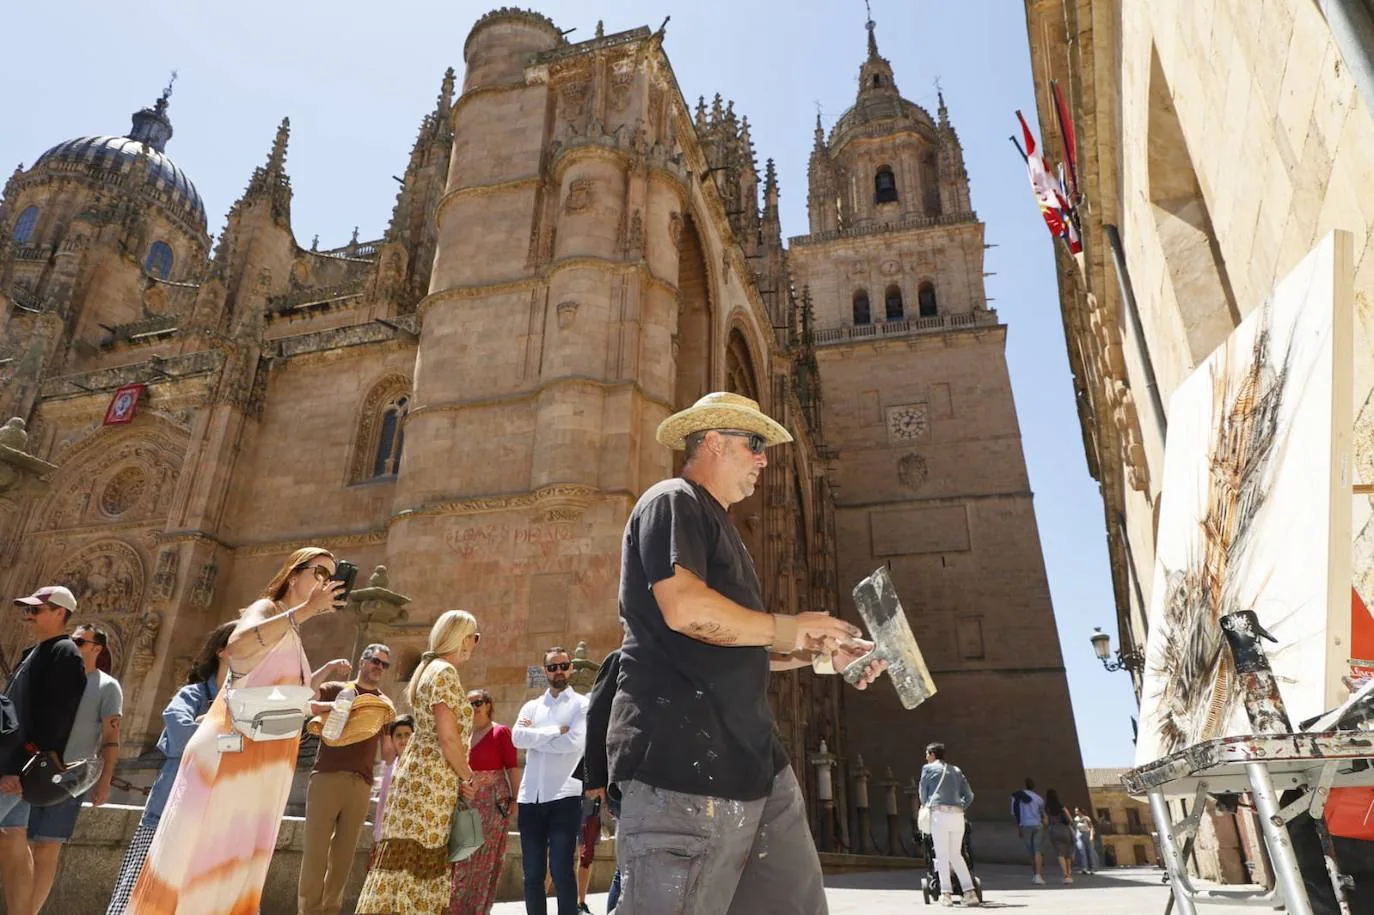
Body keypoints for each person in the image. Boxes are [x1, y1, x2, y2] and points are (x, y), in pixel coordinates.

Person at [608, 392, 886, 915]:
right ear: (712, 441)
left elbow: (736, 643)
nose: (763, 459)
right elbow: (686, 610)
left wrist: (821, 654)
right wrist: (789, 625)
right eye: (755, 443)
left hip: (758, 767)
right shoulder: (672, 500)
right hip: (681, 761)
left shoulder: (719, 527)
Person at [127, 547, 350, 914]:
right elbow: (238, 647)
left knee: (236, 863)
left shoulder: (292, 633)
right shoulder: (266, 609)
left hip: (263, 758)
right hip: (233, 752)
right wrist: (307, 610)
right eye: (319, 572)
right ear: (294, 574)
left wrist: (318, 708)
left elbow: (274, 700)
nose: (325, 582)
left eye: (332, 576)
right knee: (206, 858)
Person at [106, 621, 236, 915]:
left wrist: (212, 729)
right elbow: (180, 734)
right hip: (170, 810)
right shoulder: (193, 695)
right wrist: (217, 731)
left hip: (218, 814)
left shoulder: (246, 701)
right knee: (140, 895)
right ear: (221, 651)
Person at [356, 610, 480, 915]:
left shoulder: (428, 670)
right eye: (474, 637)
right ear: (462, 638)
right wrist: (469, 777)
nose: (475, 644)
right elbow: (448, 738)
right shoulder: (445, 673)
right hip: (432, 780)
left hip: (416, 774)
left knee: (402, 860)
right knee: (422, 860)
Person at [0, 585, 86, 915]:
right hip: (11, 762)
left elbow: (56, 720)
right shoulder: (33, 652)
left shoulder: (65, 654)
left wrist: (20, 768)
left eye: (37, 610)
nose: (29, 616)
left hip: (17, 767)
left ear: (60, 613)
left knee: (12, 843)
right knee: (12, 844)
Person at [28, 623, 123, 913]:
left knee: (47, 847)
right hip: (32, 771)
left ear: (97, 648)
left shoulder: (107, 687)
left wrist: (104, 781)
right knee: (17, 843)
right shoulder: (52, 678)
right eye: (71, 640)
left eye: (80, 642)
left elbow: (110, 739)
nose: (73, 645)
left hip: (68, 778)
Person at [298, 643, 397, 915]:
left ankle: (331, 910)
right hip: (327, 777)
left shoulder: (384, 704)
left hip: (361, 783)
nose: (378, 667)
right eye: (375, 660)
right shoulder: (337, 690)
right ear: (363, 661)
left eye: (384, 664)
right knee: (315, 854)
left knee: (343, 859)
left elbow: (388, 754)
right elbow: (306, 692)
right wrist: (330, 666)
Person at [512, 647, 587, 915]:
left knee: (562, 870)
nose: (559, 671)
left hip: (564, 796)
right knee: (532, 874)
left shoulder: (581, 704)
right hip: (530, 796)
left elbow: (575, 743)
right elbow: (517, 738)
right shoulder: (532, 706)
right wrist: (555, 731)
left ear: (571, 668)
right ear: (545, 670)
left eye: (563, 666)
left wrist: (537, 739)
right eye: (553, 667)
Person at [448, 687, 518, 915]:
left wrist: (516, 798)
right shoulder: (462, 735)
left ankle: (476, 909)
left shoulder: (500, 732)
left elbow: (512, 767)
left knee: (484, 859)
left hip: (493, 802)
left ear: (488, 705)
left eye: (477, 703)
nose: (473, 709)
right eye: (468, 704)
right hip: (465, 801)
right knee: (459, 856)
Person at [581, 649, 621, 914]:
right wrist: (596, 778)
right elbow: (597, 716)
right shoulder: (620, 658)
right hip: (631, 783)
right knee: (629, 868)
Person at [918, 742, 979, 908]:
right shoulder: (956, 770)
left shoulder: (928, 769)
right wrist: (960, 807)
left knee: (942, 855)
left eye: (926, 754)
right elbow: (970, 795)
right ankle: (969, 892)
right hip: (958, 816)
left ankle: (946, 894)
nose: (926, 757)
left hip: (939, 814)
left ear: (931, 754)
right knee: (956, 855)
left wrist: (926, 805)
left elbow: (923, 794)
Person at [371, 716, 413, 850]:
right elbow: (383, 804)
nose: (403, 740)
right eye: (398, 736)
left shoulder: (422, 767)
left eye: (407, 735)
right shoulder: (390, 770)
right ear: (393, 740)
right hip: (390, 836)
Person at [1010, 777, 1047, 885]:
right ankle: (1038, 875)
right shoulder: (1039, 798)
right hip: (1037, 825)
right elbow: (1042, 814)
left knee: (1030, 851)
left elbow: (1015, 814)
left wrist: (1019, 829)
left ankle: (1034, 874)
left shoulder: (1016, 797)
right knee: (1038, 851)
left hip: (1025, 825)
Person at [1044, 789, 1076, 884]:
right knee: (1067, 853)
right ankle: (1069, 874)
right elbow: (1070, 820)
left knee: (1060, 853)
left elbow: (1046, 822)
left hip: (1054, 831)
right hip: (1065, 830)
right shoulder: (1062, 807)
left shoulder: (1047, 809)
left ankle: (1065, 875)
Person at [1072, 807, 1098, 875]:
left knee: (1090, 852)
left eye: (1077, 811)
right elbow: (1075, 828)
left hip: (1087, 834)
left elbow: (1091, 827)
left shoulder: (1086, 818)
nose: (1075, 812)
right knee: (1081, 852)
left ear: (1080, 811)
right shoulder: (1076, 819)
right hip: (1079, 835)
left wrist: (1091, 836)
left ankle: (1092, 868)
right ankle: (1084, 868)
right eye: (1075, 811)